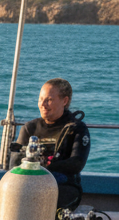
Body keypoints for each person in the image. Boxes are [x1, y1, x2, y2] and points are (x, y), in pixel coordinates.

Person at [12, 78, 91, 210]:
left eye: (49, 100)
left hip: (63, 185)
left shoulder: (76, 129)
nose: (43, 104)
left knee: (48, 200)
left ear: (64, 101)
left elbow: (76, 163)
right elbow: (14, 162)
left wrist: (46, 168)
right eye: (40, 99)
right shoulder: (29, 128)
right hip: (28, 182)